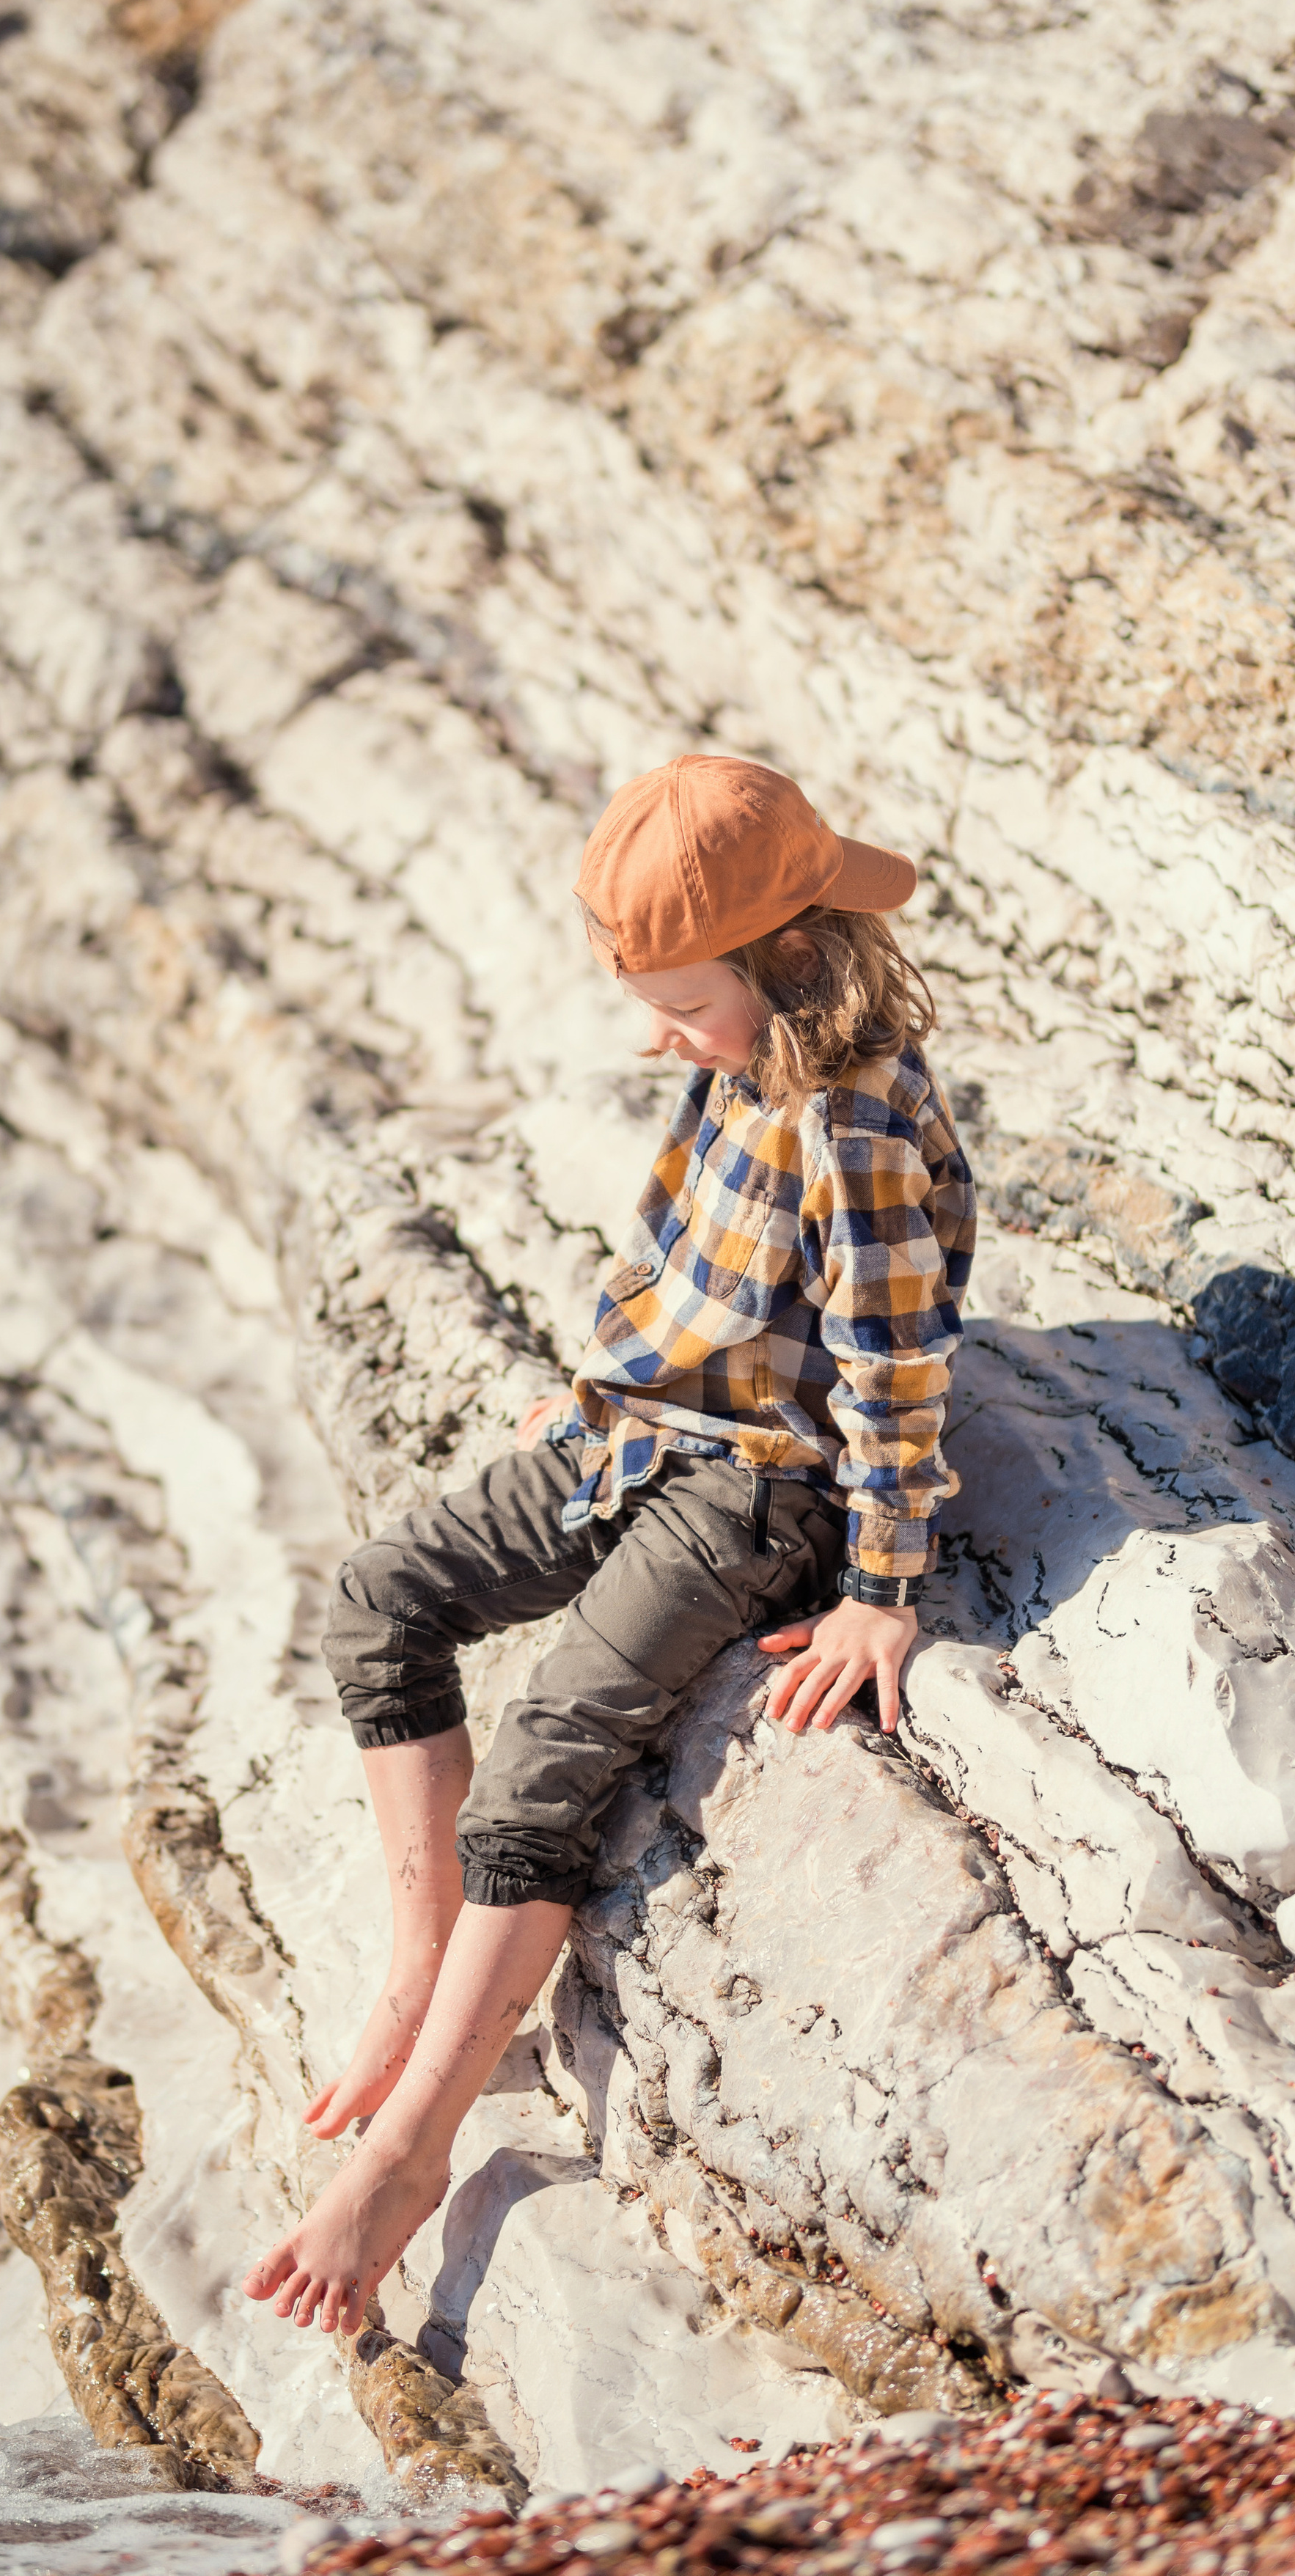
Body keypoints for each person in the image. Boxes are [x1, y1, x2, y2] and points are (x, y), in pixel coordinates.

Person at [243, 753, 975, 2338]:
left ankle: (410, 2145)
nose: (652, 1034)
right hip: (633, 1428)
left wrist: (881, 1590)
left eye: (676, 1004)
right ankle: (420, 1965)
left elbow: (895, 1367)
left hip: (758, 1482)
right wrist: (590, 1388)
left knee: (549, 1747)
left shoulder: (849, 1118)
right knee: (380, 1601)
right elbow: (671, 1246)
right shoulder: (740, 1050)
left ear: (793, 963)